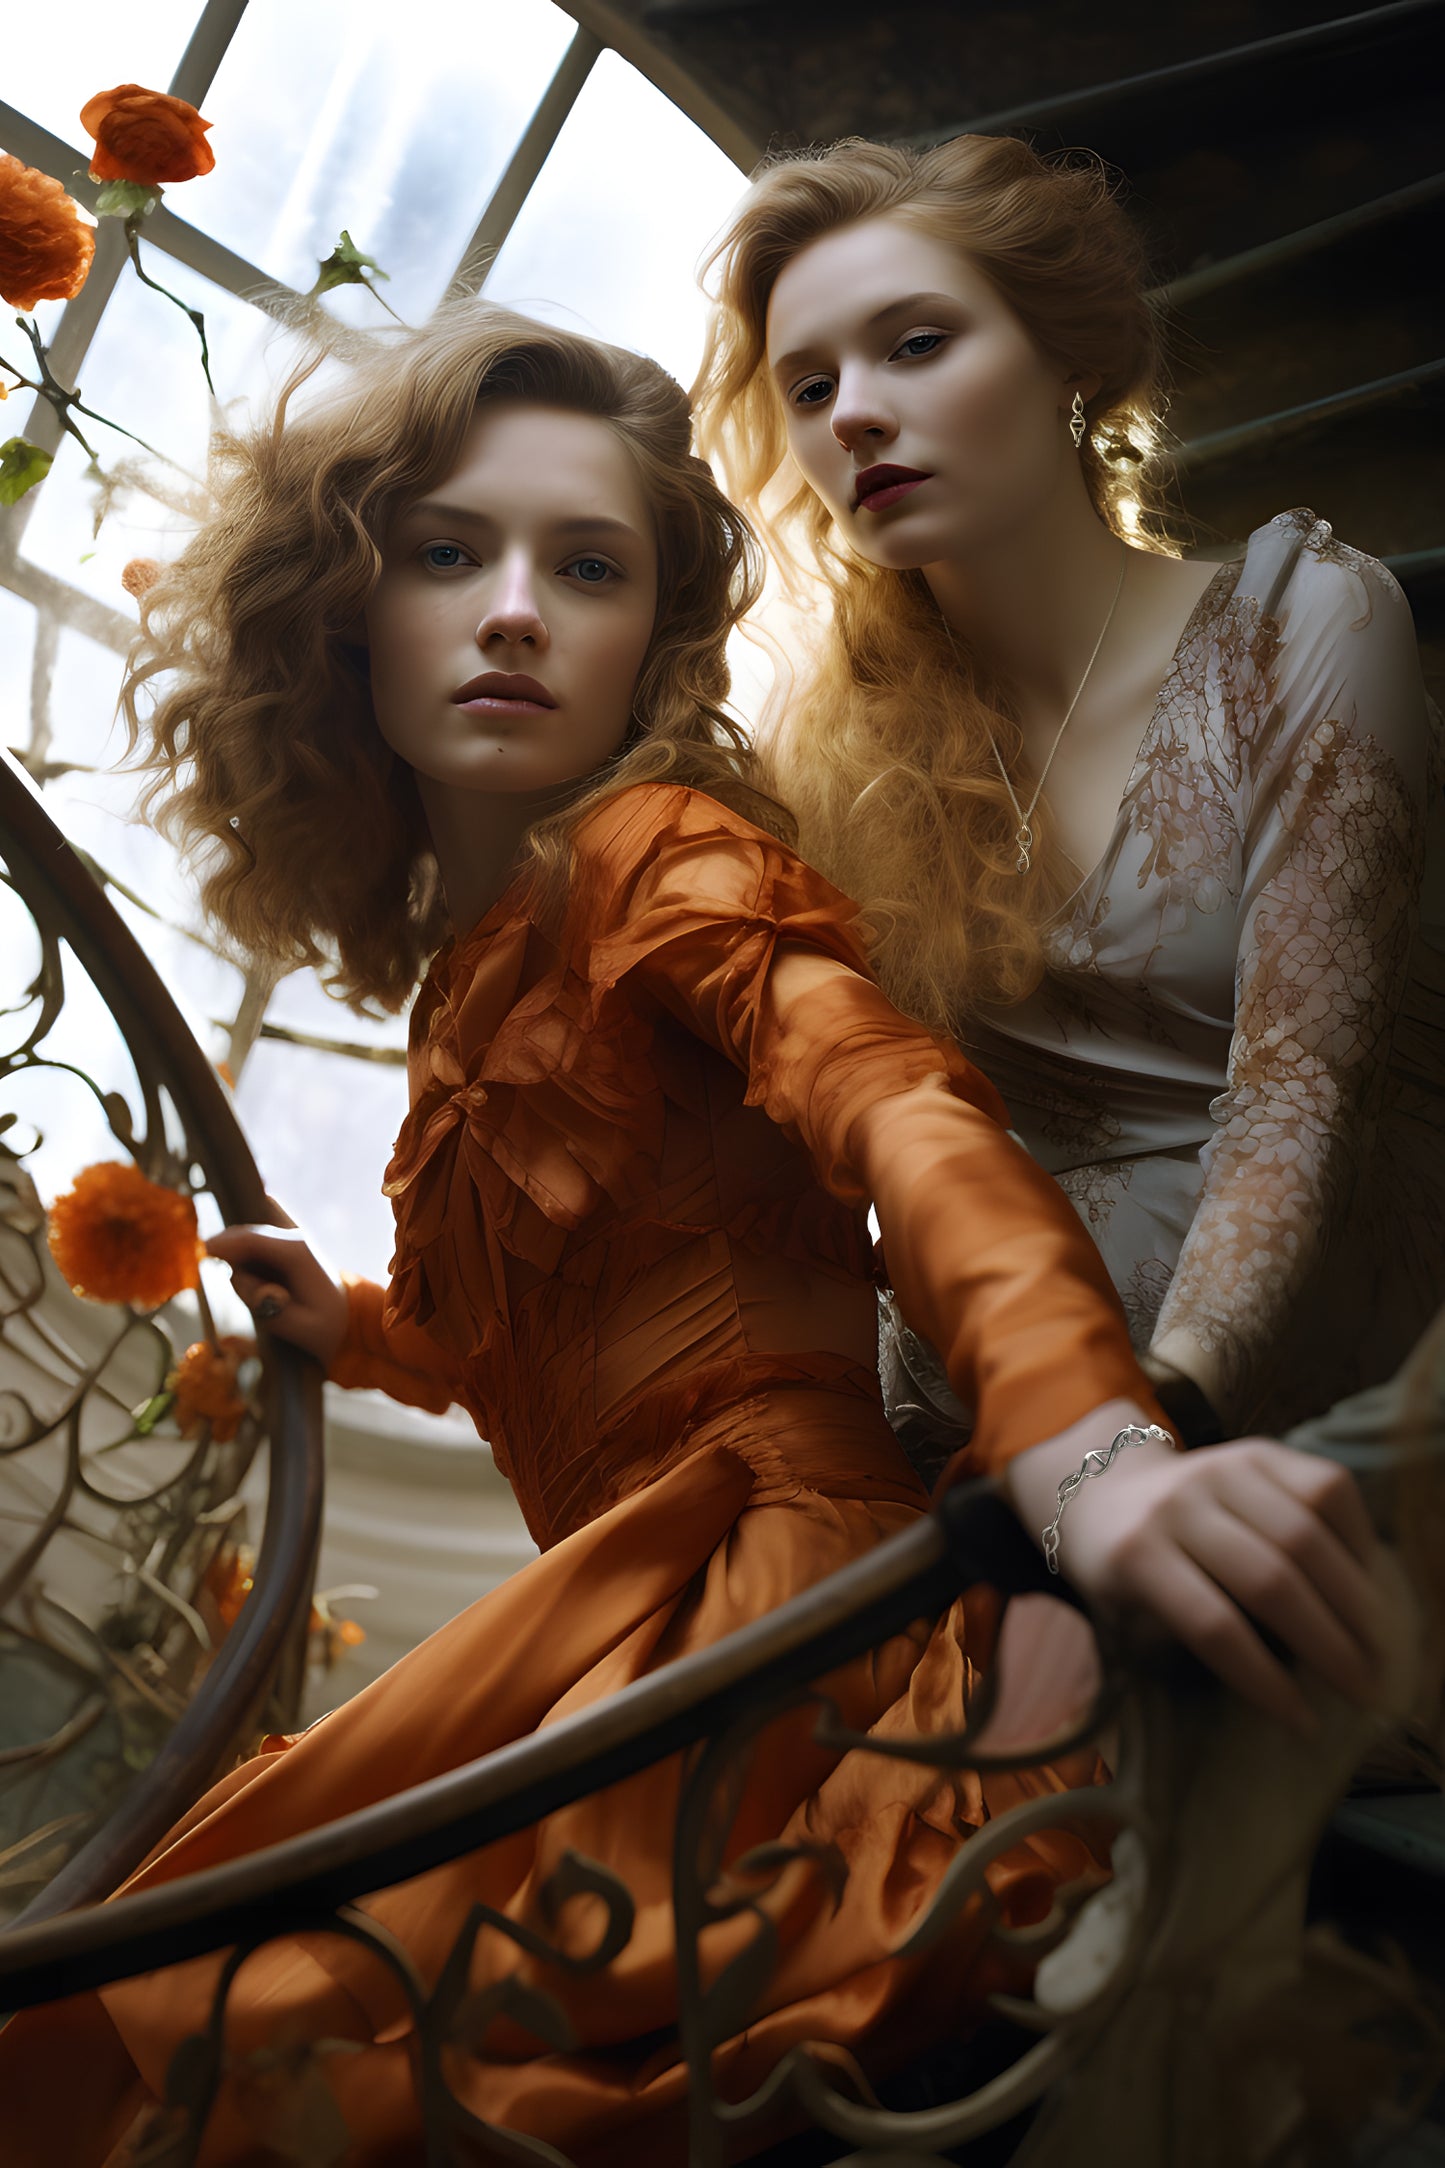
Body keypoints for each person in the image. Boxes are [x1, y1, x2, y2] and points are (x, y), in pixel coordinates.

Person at [0, 304, 1392, 2168]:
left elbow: (907, 1123)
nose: (512, 609)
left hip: (771, 1594)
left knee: (292, 2042)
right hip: (613, 1608)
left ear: (650, 639)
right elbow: (575, 1313)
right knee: (205, 2027)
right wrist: (366, 1333)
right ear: (346, 611)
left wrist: (1094, 1450)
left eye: (585, 567)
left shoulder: (659, 853)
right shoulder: (450, 996)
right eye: (446, 552)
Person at [693, 132, 1444, 1452]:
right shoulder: (828, 760)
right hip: (978, 1431)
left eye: (913, 345)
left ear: (1068, 361)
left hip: (1282, 1416)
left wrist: (1149, 1434)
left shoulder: (1297, 620)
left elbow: (1300, 1091)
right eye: (808, 387)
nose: (853, 412)